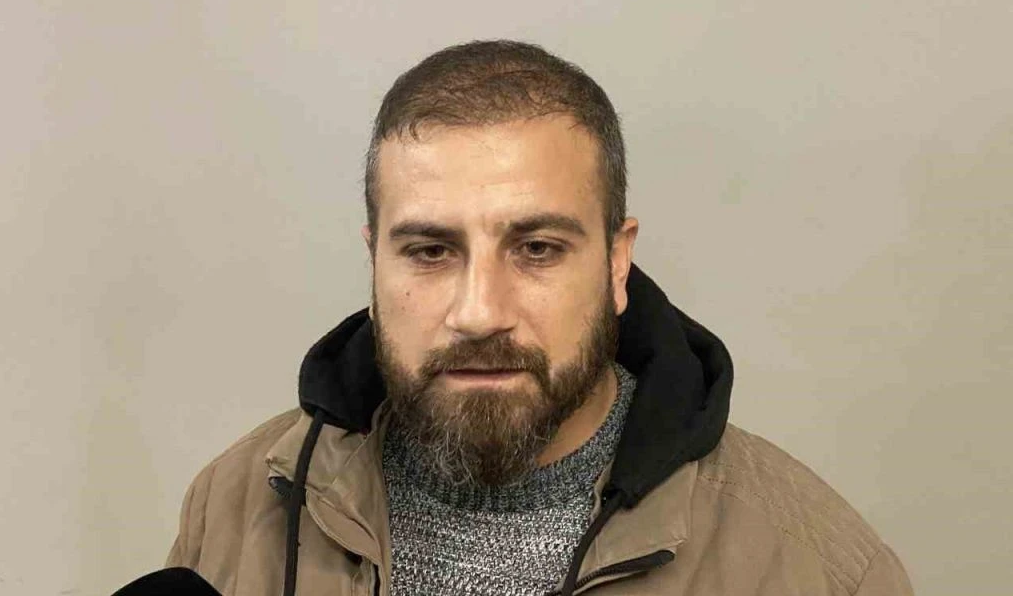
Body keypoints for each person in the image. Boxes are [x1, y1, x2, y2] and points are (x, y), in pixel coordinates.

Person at [165, 40, 914, 596]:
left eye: (537, 248)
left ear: (616, 263)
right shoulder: (235, 504)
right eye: (430, 251)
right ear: (375, 261)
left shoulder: (815, 566)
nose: (479, 313)